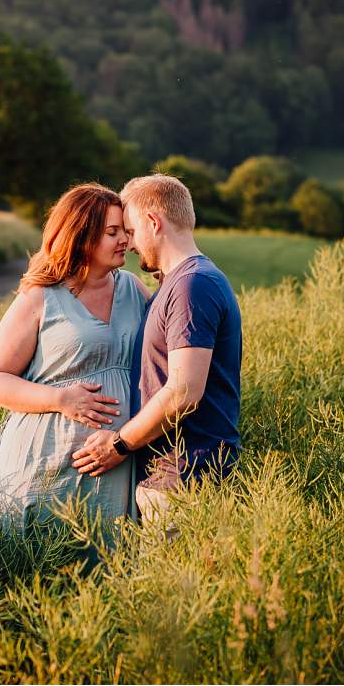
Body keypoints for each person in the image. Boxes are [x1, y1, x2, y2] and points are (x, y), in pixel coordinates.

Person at [0, 183, 151, 541]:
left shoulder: (133, 288)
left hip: (115, 463)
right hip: (46, 461)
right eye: (112, 232)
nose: (124, 240)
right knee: (44, 569)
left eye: (125, 230)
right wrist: (60, 399)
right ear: (82, 236)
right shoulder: (41, 297)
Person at [71, 174, 242, 528]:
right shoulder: (174, 284)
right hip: (173, 479)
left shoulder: (192, 285)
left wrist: (118, 445)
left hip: (188, 480)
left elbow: (183, 392)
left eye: (130, 232)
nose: (128, 244)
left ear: (153, 222)